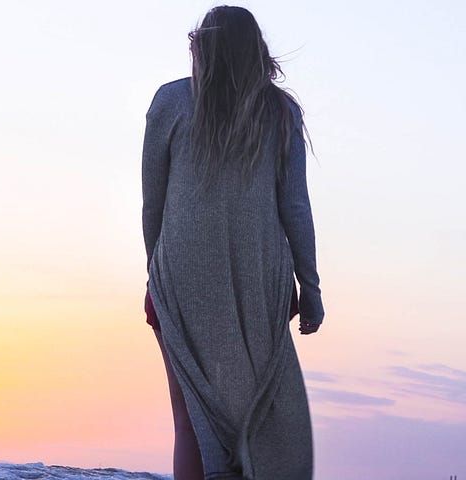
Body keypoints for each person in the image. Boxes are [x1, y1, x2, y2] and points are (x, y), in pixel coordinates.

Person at [141, 5, 324, 479]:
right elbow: (295, 208)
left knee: (188, 423)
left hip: (180, 281)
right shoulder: (280, 113)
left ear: (202, 47)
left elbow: (152, 206)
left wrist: (154, 278)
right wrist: (311, 290)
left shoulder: (170, 103)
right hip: (258, 286)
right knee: (256, 421)